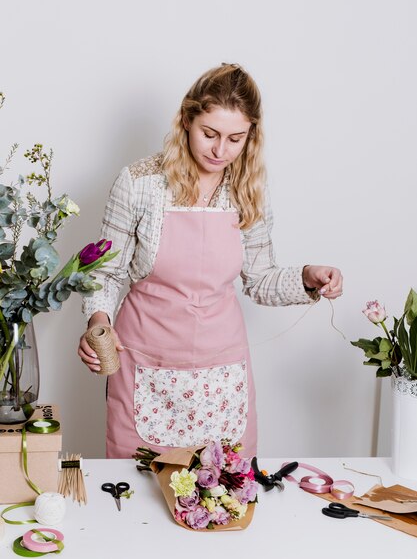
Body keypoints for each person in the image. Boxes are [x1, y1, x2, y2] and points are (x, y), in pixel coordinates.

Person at [78, 63, 343, 459]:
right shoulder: (139, 182)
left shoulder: (247, 189)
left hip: (221, 375)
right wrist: (98, 322)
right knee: (135, 497)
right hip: (145, 365)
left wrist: (307, 277)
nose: (221, 151)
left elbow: (259, 278)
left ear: (251, 134)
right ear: (186, 120)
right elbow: (105, 272)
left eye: (236, 138)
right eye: (210, 134)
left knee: (223, 494)